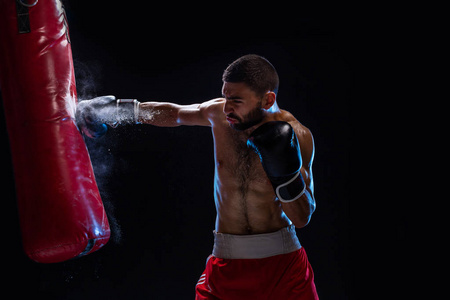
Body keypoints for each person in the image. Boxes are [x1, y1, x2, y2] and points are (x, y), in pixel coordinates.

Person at [76, 54, 319, 299]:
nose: (226, 108)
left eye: (236, 100)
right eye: (225, 97)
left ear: (268, 99)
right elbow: (175, 113)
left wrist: (284, 175)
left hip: (283, 268)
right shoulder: (219, 115)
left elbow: (301, 217)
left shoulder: (299, 136)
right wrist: (117, 111)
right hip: (226, 264)